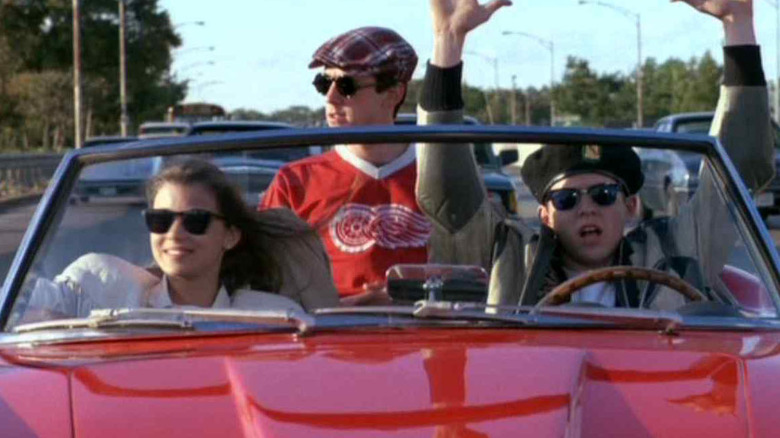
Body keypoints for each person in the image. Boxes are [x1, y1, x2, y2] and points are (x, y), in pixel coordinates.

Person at [416, 0, 774, 309]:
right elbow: (449, 195)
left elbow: (737, 170)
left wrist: (738, 23)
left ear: (631, 206)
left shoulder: (674, 250)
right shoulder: (511, 259)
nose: (587, 208)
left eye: (604, 196)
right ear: (545, 216)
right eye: (567, 199)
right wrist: (448, 43)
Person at [23, 160, 339, 319]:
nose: (175, 233)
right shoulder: (101, 283)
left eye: (196, 221)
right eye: (160, 220)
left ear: (230, 236)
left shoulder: (272, 316)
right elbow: (19, 309)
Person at [260, 27, 427, 305]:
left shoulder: (438, 179)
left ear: (393, 94)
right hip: (327, 337)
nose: (330, 98)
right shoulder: (294, 181)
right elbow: (265, 286)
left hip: (432, 336)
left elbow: (474, 272)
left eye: (346, 86)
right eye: (323, 84)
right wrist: (353, 306)